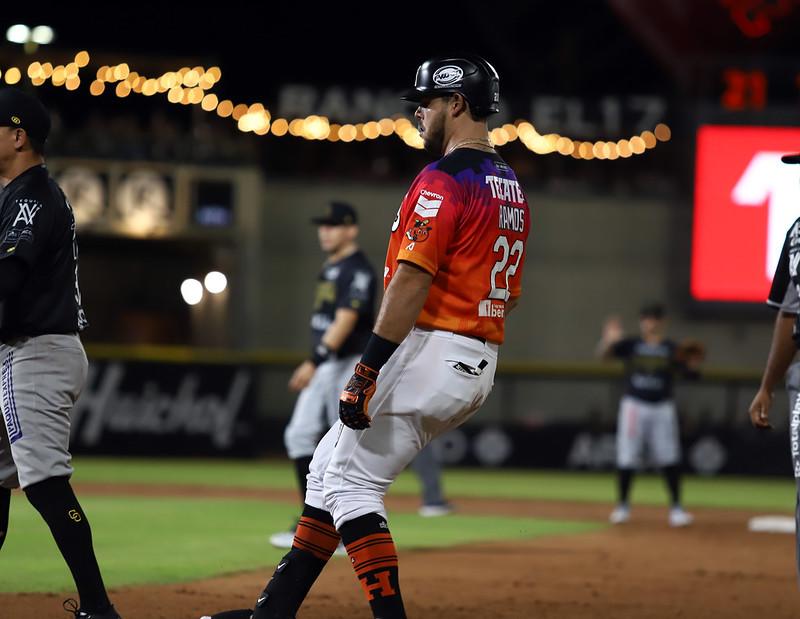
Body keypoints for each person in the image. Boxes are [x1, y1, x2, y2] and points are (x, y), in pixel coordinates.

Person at [202, 53, 528, 619]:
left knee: (352, 486)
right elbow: (509, 290)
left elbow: (411, 278)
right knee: (328, 465)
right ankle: (273, 610)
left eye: (425, 102)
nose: (418, 114)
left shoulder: (445, 177)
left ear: (456, 104)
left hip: (431, 347)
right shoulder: (511, 184)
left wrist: (367, 367)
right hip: (477, 356)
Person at [0, 88, 122, 618]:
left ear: (18, 135)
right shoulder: (16, 194)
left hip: (38, 353)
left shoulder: (32, 197)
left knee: (46, 484)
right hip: (21, 352)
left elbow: (6, 278)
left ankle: (99, 609)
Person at [269, 201, 453, 551]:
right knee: (300, 436)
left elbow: (346, 320)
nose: (326, 230)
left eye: (334, 225)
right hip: (327, 365)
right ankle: (311, 522)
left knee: (341, 448)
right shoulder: (331, 268)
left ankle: (331, 528)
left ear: (351, 230)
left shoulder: (357, 270)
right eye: (322, 225)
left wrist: (314, 360)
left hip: (346, 364)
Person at [597, 303, 700, 527]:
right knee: (627, 455)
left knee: (669, 456)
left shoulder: (672, 348)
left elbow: (692, 375)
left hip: (662, 406)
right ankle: (622, 507)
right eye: (646, 318)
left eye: (654, 318)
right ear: (641, 321)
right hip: (634, 405)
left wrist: (692, 364)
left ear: (662, 322)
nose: (650, 322)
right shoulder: (631, 344)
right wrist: (609, 339)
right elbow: (604, 356)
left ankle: (676, 509)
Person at [748, 151, 800, 576]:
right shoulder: (797, 232)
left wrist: (768, 384)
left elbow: (790, 315)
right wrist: (767, 384)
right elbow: (789, 313)